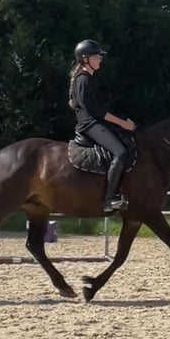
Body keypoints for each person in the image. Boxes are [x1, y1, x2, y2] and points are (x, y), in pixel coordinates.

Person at [68, 39, 136, 212]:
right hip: (89, 124)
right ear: (85, 59)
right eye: (97, 56)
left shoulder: (87, 78)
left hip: (94, 121)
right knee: (120, 152)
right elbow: (96, 111)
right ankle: (109, 199)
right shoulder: (83, 79)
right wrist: (122, 123)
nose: (100, 59)